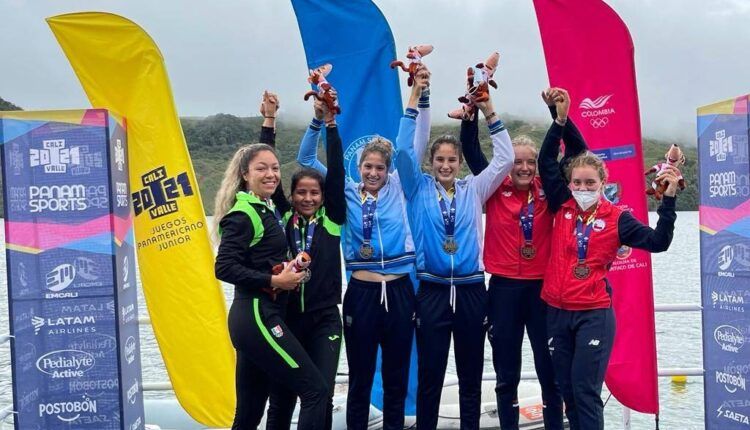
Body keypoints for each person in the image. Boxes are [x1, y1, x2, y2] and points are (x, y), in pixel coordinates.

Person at [297, 69, 430, 430]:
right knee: (360, 378)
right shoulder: (344, 191)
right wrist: (318, 119)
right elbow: (306, 160)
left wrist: (416, 97)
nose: (373, 173)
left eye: (380, 168)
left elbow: (411, 146)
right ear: (358, 168)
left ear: (388, 170)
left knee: (396, 377)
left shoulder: (400, 187)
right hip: (361, 292)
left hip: (400, 291)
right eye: (368, 167)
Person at [539, 88, 678, 430]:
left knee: (586, 392)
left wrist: (669, 202)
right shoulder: (561, 204)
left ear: (603, 182)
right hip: (557, 313)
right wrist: (559, 120)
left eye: (590, 182)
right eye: (577, 182)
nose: (583, 187)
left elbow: (658, 242)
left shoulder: (618, 218)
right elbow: (546, 162)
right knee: (567, 392)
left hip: (593, 314)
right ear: (569, 184)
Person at [459, 88, 586, 430]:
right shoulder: (494, 187)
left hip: (543, 292)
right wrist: (471, 115)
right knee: (506, 374)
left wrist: (558, 115)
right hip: (502, 291)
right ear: (507, 165)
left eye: (531, 162)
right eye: (517, 162)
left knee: (550, 372)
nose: (525, 168)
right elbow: (471, 151)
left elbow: (577, 153)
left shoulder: (550, 190)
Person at [396, 77, 514, 429]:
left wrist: (489, 110)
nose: (445, 165)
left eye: (451, 160)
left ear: (460, 163)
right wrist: (414, 98)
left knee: (470, 378)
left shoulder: (474, 189)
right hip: (431, 290)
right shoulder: (416, 187)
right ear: (430, 161)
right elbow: (402, 151)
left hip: (471, 291)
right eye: (439, 159)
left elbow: (506, 159)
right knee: (429, 378)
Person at [214, 92, 328, 430]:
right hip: (256, 314)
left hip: (261, 315)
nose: (271, 174)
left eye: (275, 168)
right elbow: (223, 267)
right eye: (261, 169)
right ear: (245, 175)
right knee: (316, 391)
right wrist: (275, 280)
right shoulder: (244, 213)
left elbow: (262, 156)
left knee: (249, 414)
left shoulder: (268, 207)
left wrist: (269, 120)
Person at [266, 96, 346, 430]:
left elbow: (337, 171)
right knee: (282, 396)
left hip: (325, 320)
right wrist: (269, 121)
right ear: (292, 195)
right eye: (301, 192)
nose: (308, 198)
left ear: (323, 196)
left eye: (315, 193)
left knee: (322, 394)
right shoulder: (284, 217)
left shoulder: (334, 219)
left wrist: (331, 123)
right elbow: (267, 167)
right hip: (287, 318)